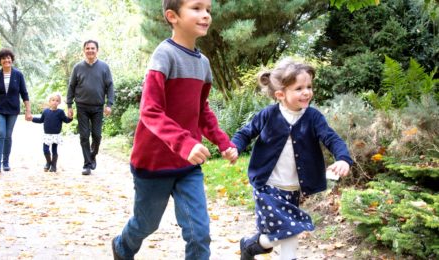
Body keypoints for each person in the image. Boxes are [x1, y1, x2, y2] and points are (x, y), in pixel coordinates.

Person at [111, 1, 238, 259]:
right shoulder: (164, 55)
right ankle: (122, 247)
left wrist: (223, 142)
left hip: (188, 167)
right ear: (173, 16)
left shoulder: (203, 63)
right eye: (196, 8)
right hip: (153, 164)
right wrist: (185, 143)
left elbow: (202, 110)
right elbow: (150, 110)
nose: (205, 15)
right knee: (146, 224)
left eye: (208, 10)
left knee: (198, 233)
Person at [231, 58, 353, 260]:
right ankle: (252, 245)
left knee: (283, 233)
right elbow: (245, 133)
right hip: (267, 186)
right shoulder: (268, 114)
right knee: (290, 229)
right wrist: (234, 147)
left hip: (294, 189)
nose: (306, 92)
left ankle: (252, 244)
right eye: (299, 88)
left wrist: (343, 158)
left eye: (309, 86)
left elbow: (331, 138)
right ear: (280, 94)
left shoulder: (313, 117)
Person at [66, 39, 115, 176]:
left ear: (97, 50)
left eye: (93, 48)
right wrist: (69, 105)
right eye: (87, 48)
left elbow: (110, 86)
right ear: (84, 51)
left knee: (97, 135)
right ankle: (87, 164)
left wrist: (109, 104)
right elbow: (71, 86)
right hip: (81, 106)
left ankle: (93, 155)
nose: (90, 51)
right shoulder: (78, 67)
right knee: (84, 136)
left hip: (98, 107)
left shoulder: (104, 67)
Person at [0, 48, 32, 174]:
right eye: (4, 58)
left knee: (8, 135)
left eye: (8, 58)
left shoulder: (18, 75)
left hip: (13, 110)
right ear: (0, 61)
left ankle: (5, 162)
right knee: (0, 133)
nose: (6, 60)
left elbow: (24, 94)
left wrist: (28, 111)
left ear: (12, 60)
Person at [31, 93, 73, 172]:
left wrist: (70, 118)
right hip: (47, 135)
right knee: (45, 150)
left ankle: (54, 165)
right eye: (53, 100)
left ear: (59, 102)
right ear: (49, 101)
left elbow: (66, 120)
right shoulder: (45, 111)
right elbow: (41, 120)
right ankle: (48, 162)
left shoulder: (60, 112)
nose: (55, 102)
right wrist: (32, 119)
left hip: (56, 135)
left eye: (57, 101)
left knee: (54, 150)